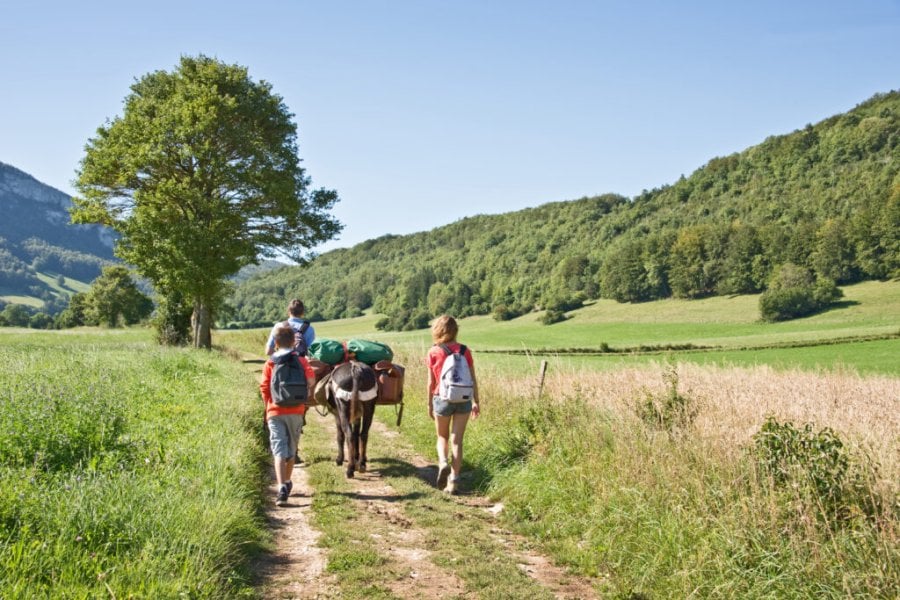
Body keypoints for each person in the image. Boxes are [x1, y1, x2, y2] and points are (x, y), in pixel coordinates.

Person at [260, 325, 316, 506]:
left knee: (278, 450)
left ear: (275, 343)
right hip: (296, 411)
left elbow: (264, 387)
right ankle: (287, 481)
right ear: (294, 342)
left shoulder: (270, 362)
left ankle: (281, 487)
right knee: (291, 450)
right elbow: (311, 380)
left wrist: (268, 406)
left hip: (274, 411)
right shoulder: (301, 361)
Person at [426, 315, 480, 494]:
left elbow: (431, 382)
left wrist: (429, 404)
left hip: (442, 398)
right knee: (457, 441)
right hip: (463, 398)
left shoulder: (434, 351)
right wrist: (476, 401)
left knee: (442, 437)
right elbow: (472, 379)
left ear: (437, 330)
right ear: (456, 330)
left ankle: (443, 462)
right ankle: (454, 480)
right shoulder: (465, 351)